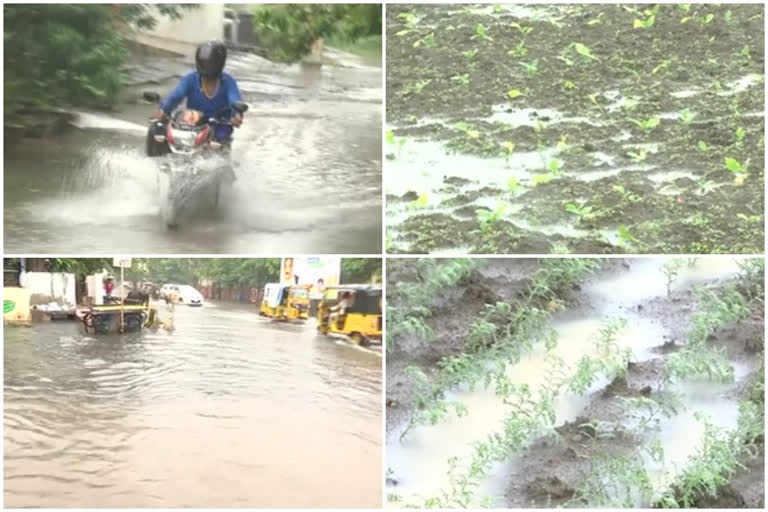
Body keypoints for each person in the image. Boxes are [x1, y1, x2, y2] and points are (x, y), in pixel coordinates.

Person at [154, 41, 244, 143]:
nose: (207, 65)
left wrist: (237, 114)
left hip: (219, 125)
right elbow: (176, 95)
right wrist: (164, 109)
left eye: (210, 62)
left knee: (220, 138)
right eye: (204, 62)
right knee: (157, 129)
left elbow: (235, 100)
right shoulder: (191, 79)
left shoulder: (228, 82)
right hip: (193, 123)